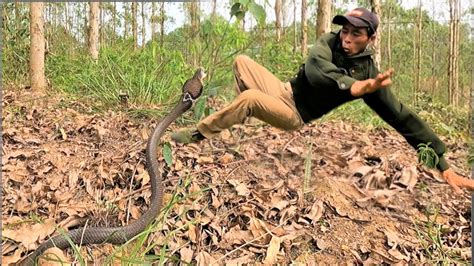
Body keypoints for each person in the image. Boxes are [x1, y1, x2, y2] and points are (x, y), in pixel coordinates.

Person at [172, 7, 474, 192]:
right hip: (283, 90)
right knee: (241, 62)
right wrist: (350, 87)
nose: (347, 38)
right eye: (345, 30)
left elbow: (401, 117)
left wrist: (443, 163)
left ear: (371, 38)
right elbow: (316, 69)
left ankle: (199, 133)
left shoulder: (370, 76)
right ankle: (240, 115)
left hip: (295, 114)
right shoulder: (328, 43)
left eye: (356, 34)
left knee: (250, 98)